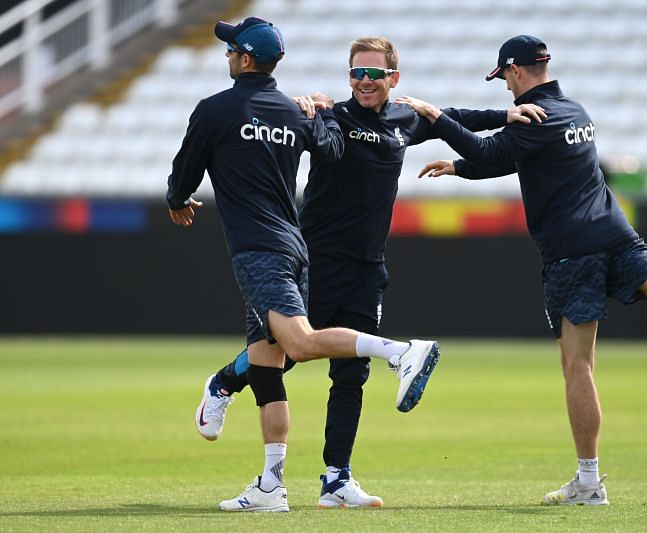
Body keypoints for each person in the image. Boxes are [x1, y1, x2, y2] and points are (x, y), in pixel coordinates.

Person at [397, 34, 647, 506]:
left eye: (504, 79)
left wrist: (436, 118)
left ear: (516, 71)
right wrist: (458, 168)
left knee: (577, 365)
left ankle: (588, 482)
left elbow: (495, 152)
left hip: (572, 253)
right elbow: (515, 158)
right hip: (616, 235)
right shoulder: (574, 111)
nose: (505, 89)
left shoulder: (535, 116)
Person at [193, 36, 546, 509]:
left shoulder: (403, 119)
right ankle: (224, 382)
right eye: (356, 73)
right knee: (285, 353)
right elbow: (277, 123)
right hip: (315, 258)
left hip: (367, 267)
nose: (363, 81)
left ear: (392, 79)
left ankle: (337, 480)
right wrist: (306, 106)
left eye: (373, 74)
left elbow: (451, 117)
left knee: (350, 374)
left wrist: (504, 115)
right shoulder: (333, 116)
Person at [166, 18, 443, 513]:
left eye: (232, 49)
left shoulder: (216, 109)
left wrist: (176, 199)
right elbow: (333, 148)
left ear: (245, 58)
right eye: (355, 71)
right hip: (300, 247)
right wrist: (321, 117)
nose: (227, 54)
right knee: (271, 360)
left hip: (263, 250)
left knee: (297, 346)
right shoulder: (294, 113)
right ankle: (270, 482)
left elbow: (184, 171)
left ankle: (400, 353)